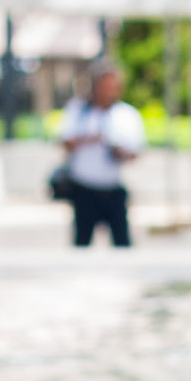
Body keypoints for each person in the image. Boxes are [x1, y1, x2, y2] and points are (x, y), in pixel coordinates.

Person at [57, 65, 146, 247]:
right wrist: (90, 139)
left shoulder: (126, 114)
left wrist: (118, 150)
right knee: (82, 243)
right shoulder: (78, 110)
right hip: (83, 188)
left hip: (113, 188)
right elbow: (64, 140)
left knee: (122, 243)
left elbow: (136, 151)